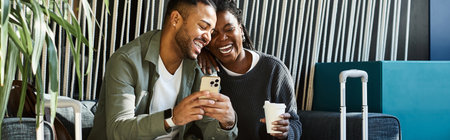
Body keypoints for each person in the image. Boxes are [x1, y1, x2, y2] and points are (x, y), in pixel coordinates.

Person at [88, 0, 237, 139]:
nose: (208, 39)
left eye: (211, 32)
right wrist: (171, 118)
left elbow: (211, 131)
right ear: (176, 19)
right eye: (203, 27)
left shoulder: (203, 68)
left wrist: (227, 124)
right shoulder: (127, 61)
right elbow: (118, 130)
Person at [197, 0, 302, 139]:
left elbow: (295, 123)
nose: (222, 38)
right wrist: (199, 51)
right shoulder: (204, 70)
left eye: (229, 29)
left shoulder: (273, 70)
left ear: (241, 29)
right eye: (214, 33)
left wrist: (287, 132)